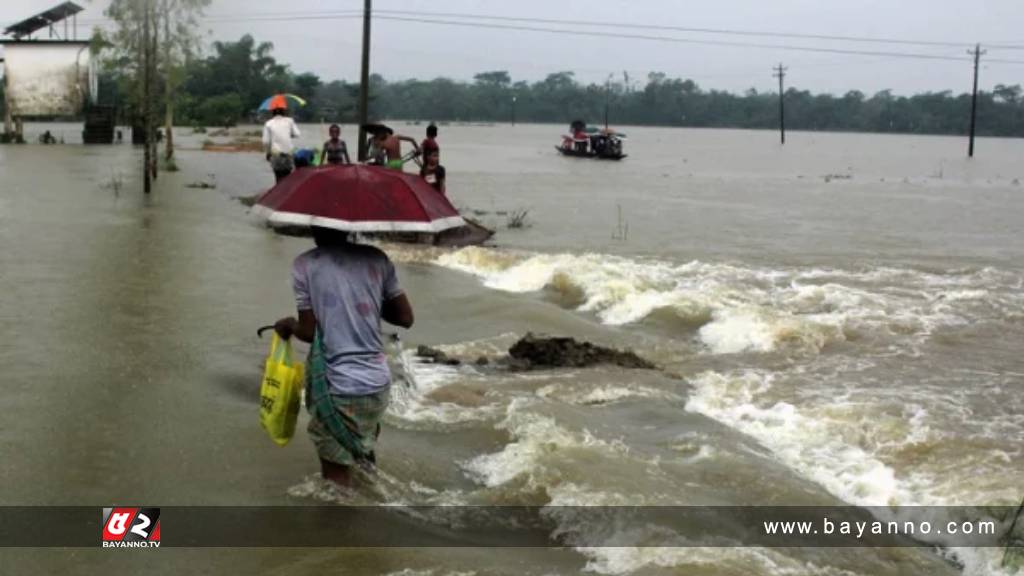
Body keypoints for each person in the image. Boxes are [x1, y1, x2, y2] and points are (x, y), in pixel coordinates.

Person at [274, 227, 414, 486]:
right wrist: (365, 300)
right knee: (363, 454)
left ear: (313, 226)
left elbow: (308, 331)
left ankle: (343, 525)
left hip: (339, 385)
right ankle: (377, 514)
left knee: (337, 486)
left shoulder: (305, 265)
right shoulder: (377, 258)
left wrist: (290, 325)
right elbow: (405, 318)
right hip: (377, 385)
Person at [262, 106, 301, 182]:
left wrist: (268, 153)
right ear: (284, 112)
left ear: (272, 113)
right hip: (288, 152)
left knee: (278, 176)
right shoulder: (290, 121)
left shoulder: (269, 123)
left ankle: (279, 192)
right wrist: (288, 134)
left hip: (276, 153)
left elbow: (266, 141)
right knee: (288, 177)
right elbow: (297, 134)